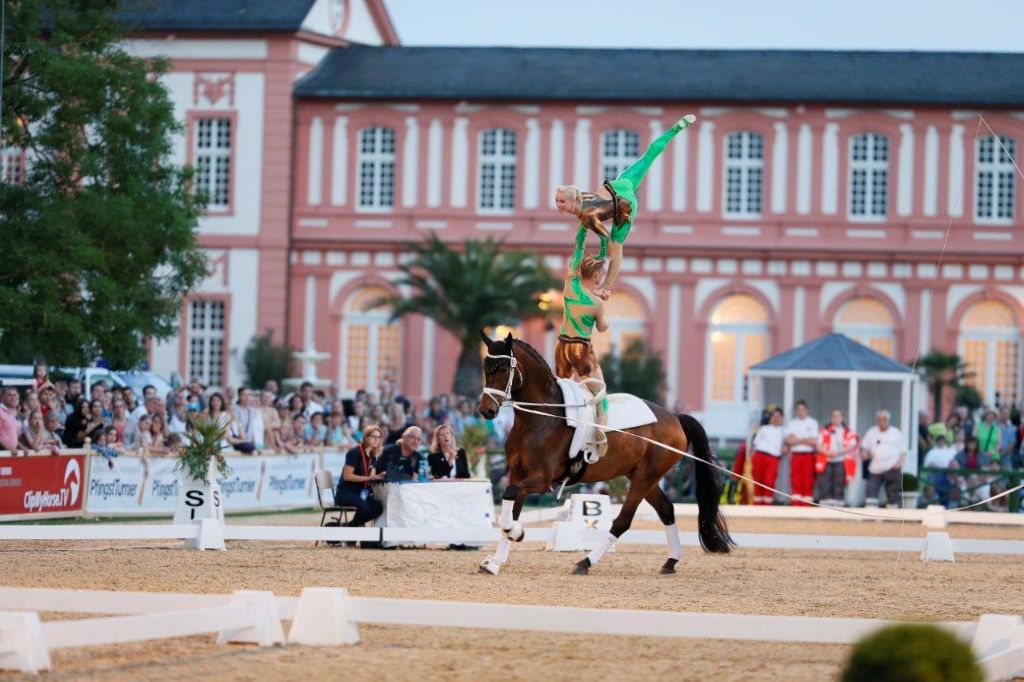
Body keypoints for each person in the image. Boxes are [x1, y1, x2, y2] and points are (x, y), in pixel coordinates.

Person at [555, 114, 696, 300]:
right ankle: (675, 129)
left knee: (616, 246)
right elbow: (580, 239)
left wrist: (600, 256)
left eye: (561, 201)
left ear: (572, 200)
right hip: (619, 186)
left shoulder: (587, 216)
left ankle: (607, 287)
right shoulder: (583, 202)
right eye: (557, 201)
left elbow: (603, 237)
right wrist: (575, 263)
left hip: (624, 205)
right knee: (647, 157)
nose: (558, 205)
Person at [553, 231, 611, 459]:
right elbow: (603, 327)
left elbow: (578, 248)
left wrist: (583, 228)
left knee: (560, 391)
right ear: (596, 276)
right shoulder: (596, 303)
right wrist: (603, 299)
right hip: (581, 350)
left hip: (562, 347)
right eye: (601, 274)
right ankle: (601, 434)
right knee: (600, 392)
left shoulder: (570, 285)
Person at [335, 426, 385, 530]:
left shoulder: (373, 456)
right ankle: (351, 531)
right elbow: (347, 476)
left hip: (360, 492)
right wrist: (369, 478)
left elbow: (371, 477)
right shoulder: (355, 452)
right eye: (373, 436)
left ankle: (348, 527)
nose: (377, 439)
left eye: (379, 437)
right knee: (364, 508)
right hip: (345, 493)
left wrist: (380, 476)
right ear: (366, 438)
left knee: (378, 508)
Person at [860, 410, 907, 508]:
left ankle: (892, 516)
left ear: (888, 420)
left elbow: (903, 451)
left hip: (892, 467)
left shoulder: (896, 432)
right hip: (875, 468)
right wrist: (864, 453)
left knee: (893, 494)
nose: (882, 421)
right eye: (879, 419)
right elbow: (864, 446)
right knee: (871, 491)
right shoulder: (871, 432)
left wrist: (899, 463)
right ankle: (871, 514)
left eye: (884, 419)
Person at [814, 409, 858, 507]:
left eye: (838, 416)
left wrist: (838, 453)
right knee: (825, 484)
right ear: (831, 418)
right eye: (834, 416)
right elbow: (818, 445)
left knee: (839, 484)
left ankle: (838, 506)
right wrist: (828, 453)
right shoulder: (825, 430)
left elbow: (852, 445)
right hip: (826, 461)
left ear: (842, 418)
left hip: (840, 461)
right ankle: (825, 507)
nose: (836, 418)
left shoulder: (847, 432)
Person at [784, 399, 819, 506]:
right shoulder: (792, 423)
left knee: (808, 480)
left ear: (807, 410)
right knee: (795, 480)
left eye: (803, 410)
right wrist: (805, 439)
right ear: (796, 411)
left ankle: (806, 505)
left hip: (808, 455)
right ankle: (795, 505)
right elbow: (789, 440)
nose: (801, 412)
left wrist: (797, 439)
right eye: (798, 410)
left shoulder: (812, 423)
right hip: (795, 455)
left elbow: (814, 441)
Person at [751, 407, 785, 505]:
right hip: (759, 455)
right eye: (774, 415)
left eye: (778, 416)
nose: (776, 418)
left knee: (769, 482)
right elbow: (755, 444)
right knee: (757, 481)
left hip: (773, 458)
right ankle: (757, 506)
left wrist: (786, 448)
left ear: (782, 418)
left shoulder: (783, 430)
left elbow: (788, 442)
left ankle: (767, 506)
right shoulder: (764, 428)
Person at [0, 386, 21, 452]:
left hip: (11, 453)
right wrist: (8, 448)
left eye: (15, 395)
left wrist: (21, 447)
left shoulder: (13, 413)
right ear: (2, 397)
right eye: (9, 395)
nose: (13, 398)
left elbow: (13, 436)